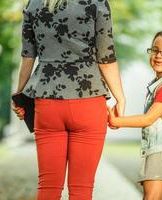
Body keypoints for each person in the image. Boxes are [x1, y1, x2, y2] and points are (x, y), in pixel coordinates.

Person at [12, 0, 125, 199]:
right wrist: (120, 98)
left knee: (48, 187)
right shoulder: (96, 3)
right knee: (81, 189)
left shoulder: (34, 4)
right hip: (88, 100)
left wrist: (19, 94)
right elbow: (105, 58)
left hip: (47, 101)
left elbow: (27, 57)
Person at [108, 30, 162, 200]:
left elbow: (148, 119)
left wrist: (117, 120)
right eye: (155, 50)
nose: (158, 55)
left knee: (151, 197)